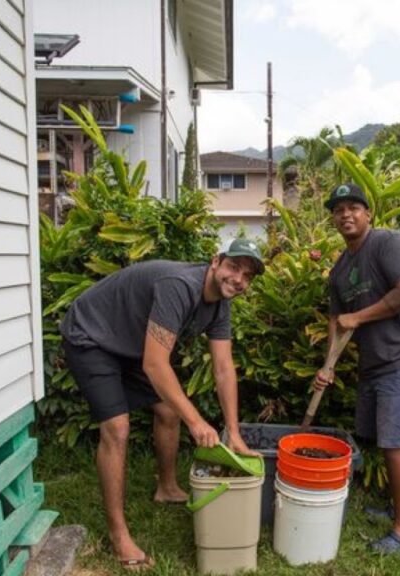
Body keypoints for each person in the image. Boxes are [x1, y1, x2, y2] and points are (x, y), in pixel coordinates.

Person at [59, 239, 264, 569]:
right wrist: (197, 422)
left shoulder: (220, 305)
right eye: (233, 267)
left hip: (129, 344)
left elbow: (224, 369)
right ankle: (119, 536)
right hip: (91, 335)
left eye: (248, 275)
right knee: (117, 427)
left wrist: (234, 433)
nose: (238, 279)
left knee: (169, 410)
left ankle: (166, 487)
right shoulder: (180, 286)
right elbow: (155, 365)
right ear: (216, 262)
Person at [313, 183, 400, 555]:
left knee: (395, 442)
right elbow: (338, 320)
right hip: (375, 362)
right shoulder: (340, 269)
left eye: (353, 207)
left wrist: (359, 316)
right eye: (338, 210)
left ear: (368, 214)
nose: (346, 214)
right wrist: (328, 365)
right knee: (390, 440)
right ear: (333, 219)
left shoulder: (387, 243)